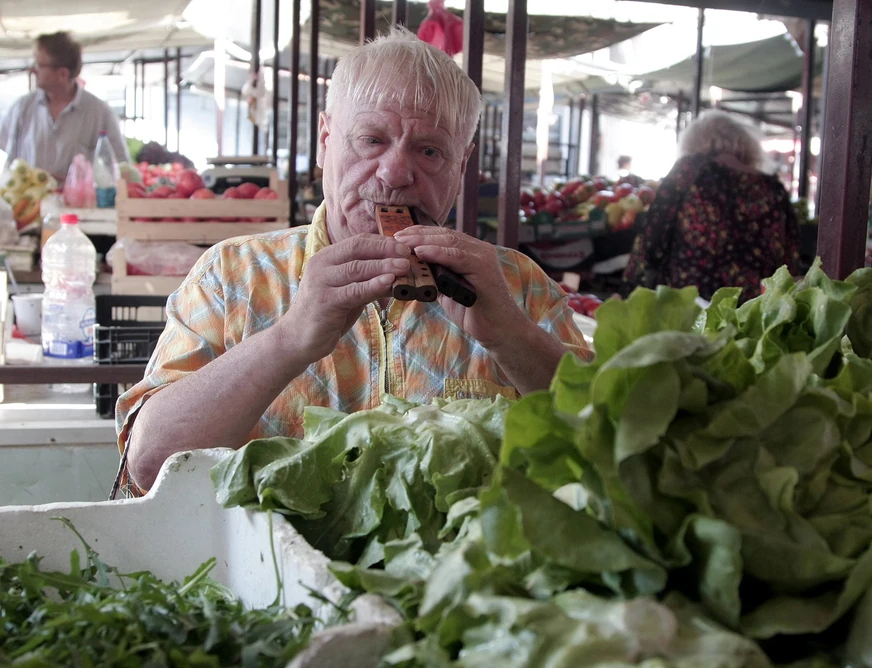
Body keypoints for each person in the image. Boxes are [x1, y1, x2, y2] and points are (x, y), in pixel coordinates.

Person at [116, 27, 592, 493]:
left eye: (430, 151)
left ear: (461, 167)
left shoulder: (516, 283)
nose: (396, 172)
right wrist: (289, 339)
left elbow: (605, 446)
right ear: (326, 140)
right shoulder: (233, 274)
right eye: (371, 140)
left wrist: (511, 336)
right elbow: (149, 464)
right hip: (266, 566)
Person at [622, 111, 800, 301]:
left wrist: (628, 293)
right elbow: (789, 261)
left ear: (692, 143)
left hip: (691, 306)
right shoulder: (774, 188)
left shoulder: (690, 170)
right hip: (750, 312)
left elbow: (651, 239)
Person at [0, 32, 130, 182]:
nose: (32, 70)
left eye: (39, 65)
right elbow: (4, 153)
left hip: (80, 204)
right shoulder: (21, 108)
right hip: (26, 203)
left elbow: (122, 169)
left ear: (62, 74)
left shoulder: (100, 113)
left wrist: (75, 182)